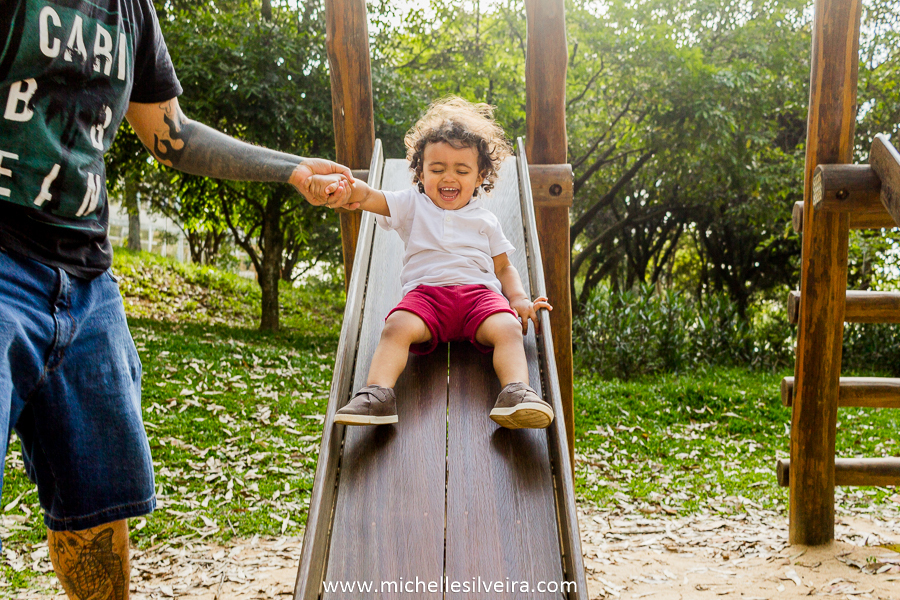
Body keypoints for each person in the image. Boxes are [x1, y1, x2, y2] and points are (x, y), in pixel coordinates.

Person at [0, 1, 355, 598]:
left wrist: (292, 169)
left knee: (97, 501)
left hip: (86, 280)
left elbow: (173, 136)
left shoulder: (130, 10)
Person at [308, 96, 554, 430]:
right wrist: (349, 190)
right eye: (436, 169)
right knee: (396, 327)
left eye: (461, 170)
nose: (448, 177)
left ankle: (516, 392)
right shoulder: (412, 205)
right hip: (426, 297)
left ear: (480, 175)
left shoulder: (485, 220)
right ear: (421, 172)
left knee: (509, 328)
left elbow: (503, 268)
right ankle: (377, 394)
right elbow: (369, 197)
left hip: (479, 296)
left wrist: (519, 299)